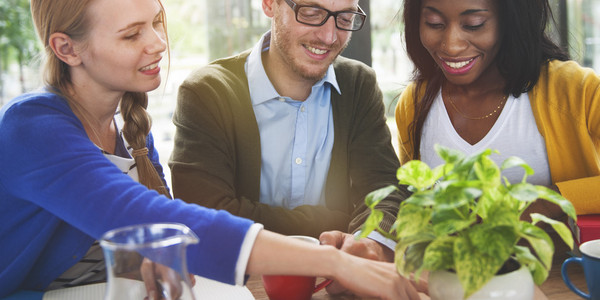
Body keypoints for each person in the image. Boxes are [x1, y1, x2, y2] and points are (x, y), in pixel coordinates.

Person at [0, 0, 422, 299]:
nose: (158, 44)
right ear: (66, 48)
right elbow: (158, 217)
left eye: (156, 22)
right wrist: (336, 263)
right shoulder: (32, 127)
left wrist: (151, 257)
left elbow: (152, 239)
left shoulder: (129, 127)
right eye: (132, 35)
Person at [168, 0, 408, 284]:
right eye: (311, 12)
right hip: (240, 286)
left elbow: (385, 191)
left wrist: (367, 245)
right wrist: (337, 221)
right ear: (269, 4)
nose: (329, 37)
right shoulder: (207, 92)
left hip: (333, 282)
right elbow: (207, 217)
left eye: (344, 17)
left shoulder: (358, 84)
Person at [395, 0, 600, 220]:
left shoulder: (576, 90)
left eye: (474, 24)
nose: (451, 45)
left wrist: (543, 202)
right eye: (434, 23)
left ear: (512, 22)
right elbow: (411, 204)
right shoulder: (415, 103)